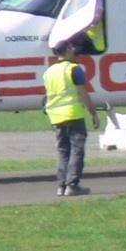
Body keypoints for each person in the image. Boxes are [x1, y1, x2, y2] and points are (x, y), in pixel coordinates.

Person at [43, 41, 100, 196]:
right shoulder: (73, 69)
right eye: (72, 48)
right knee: (77, 149)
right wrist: (93, 114)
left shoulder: (49, 71)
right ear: (68, 50)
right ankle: (72, 185)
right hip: (72, 114)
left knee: (62, 151)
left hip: (56, 117)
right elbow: (84, 94)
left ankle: (61, 185)